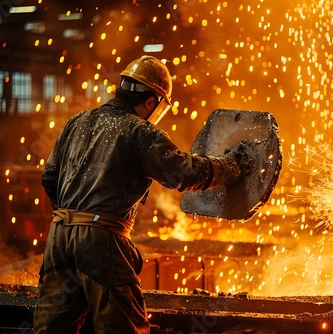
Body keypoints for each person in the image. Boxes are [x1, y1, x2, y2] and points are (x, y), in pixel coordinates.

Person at [33, 55, 241, 334]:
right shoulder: (138, 132)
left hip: (58, 239)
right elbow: (183, 173)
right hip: (100, 242)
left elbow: (49, 178)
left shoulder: (77, 122)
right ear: (151, 102)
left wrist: (75, 216)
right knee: (123, 327)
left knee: (51, 329)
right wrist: (228, 168)